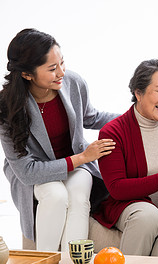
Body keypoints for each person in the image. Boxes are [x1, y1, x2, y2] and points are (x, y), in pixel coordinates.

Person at [0, 29, 118, 251]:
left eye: (62, 63)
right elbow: (26, 171)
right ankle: (44, 263)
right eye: (52, 69)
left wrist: (135, 116)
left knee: (79, 192)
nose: (62, 72)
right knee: (55, 195)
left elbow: (90, 117)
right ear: (27, 75)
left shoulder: (73, 82)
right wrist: (82, 157)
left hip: (75, 161)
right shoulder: (6, 107)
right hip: (35, 169)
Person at [92, 59, 158, 257]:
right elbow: (116, 188)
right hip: (128, 206)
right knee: (148, 215)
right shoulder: (113, 132)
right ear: (138, 93)